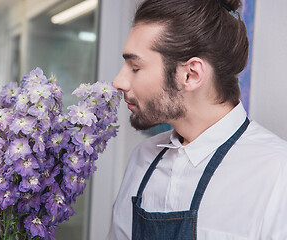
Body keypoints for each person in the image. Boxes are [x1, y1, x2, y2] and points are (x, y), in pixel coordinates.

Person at [107, 0, 287, 239]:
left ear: (191, 75)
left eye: (135, 67)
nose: (118, 82)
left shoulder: (276, 173)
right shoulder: (142, 158)